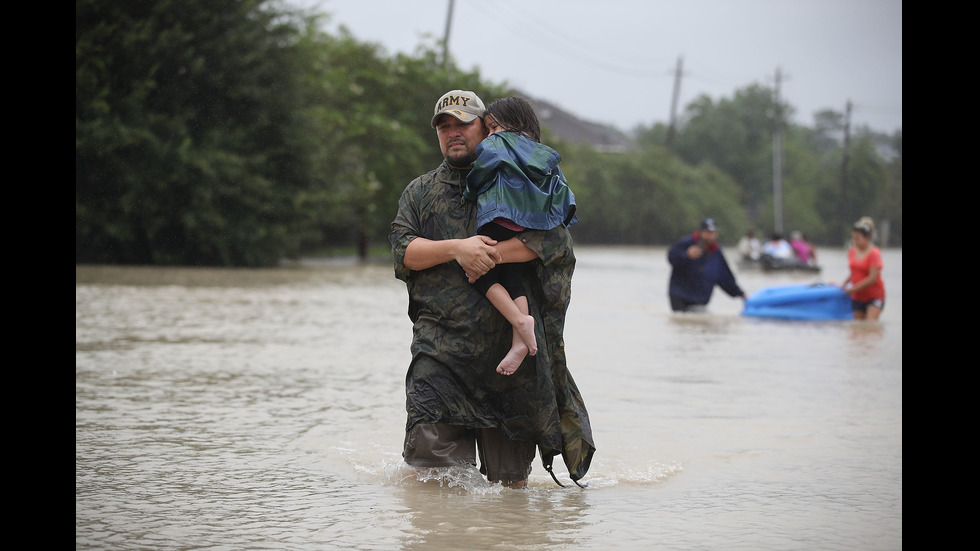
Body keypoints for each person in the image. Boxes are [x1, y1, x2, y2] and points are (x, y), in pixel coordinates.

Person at [389, 89, 595, 489]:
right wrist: (458, 249)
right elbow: (404, 251)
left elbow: (554, 244)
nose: (453, 133)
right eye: (444, 126)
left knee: (509, 495)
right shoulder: (420, 192)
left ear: (487, 129)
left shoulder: (521, 182)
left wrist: (492, 254)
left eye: (463, 123)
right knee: (434, 489)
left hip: (510, 367)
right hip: (440, 358)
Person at [463, 96, 578, 376]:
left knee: (476, 271)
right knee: (513, 275)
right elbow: (562, 193)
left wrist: (470, 189)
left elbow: (482, 168)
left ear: (512, 125)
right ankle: (519, 340)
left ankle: (519, 321)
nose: (489, 134)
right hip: (526, 226)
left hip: (499, 216)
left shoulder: (495, 145)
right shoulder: (541, 153)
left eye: (493, 127)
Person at [667, 218, 747, 312]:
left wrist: (741, 294)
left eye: (713, 233)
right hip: (680, 296)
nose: (710, 236)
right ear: (701, 232)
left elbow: (725, 277)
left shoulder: (716, 252)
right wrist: (686, 255)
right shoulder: (687, 243)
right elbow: (671, 258)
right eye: (707, 233)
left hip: (700, 299)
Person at [840, 216, 885, 320]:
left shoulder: (874, 253)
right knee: (858, 327)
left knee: (870, 324)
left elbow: (872, 278)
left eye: (858, 239)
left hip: (875, 296)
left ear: (867, 238)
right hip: (858, 296)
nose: (855, 241)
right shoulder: (852, 251)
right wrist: (843, 284)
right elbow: (854, 273)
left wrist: (852, 289)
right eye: (854, 239)